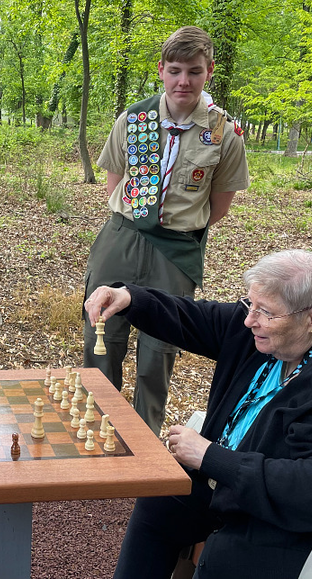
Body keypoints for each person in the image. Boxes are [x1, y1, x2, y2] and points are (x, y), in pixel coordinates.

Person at [85, 249, 312, 579]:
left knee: (228, 557)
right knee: (164, 504)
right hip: (253, 486)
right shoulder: (274, 332)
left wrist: (210, 456)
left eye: (264, 312)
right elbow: (196, 318)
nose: (249, 320)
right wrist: (132, 299)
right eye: (251, 305)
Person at [83, 25, 251, 435]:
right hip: (121, 239)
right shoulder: (134, 119)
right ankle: (96, 429)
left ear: (209, 71)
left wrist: (173, 227)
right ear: (161, 70)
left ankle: (142, 444)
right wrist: (138, 220)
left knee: (157, 354)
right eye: (175, 70)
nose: (183, 81)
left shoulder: (222, 133)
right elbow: (114, 182)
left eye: (194, 71)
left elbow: (218, 206)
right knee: (101, 337)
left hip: (174, 252)